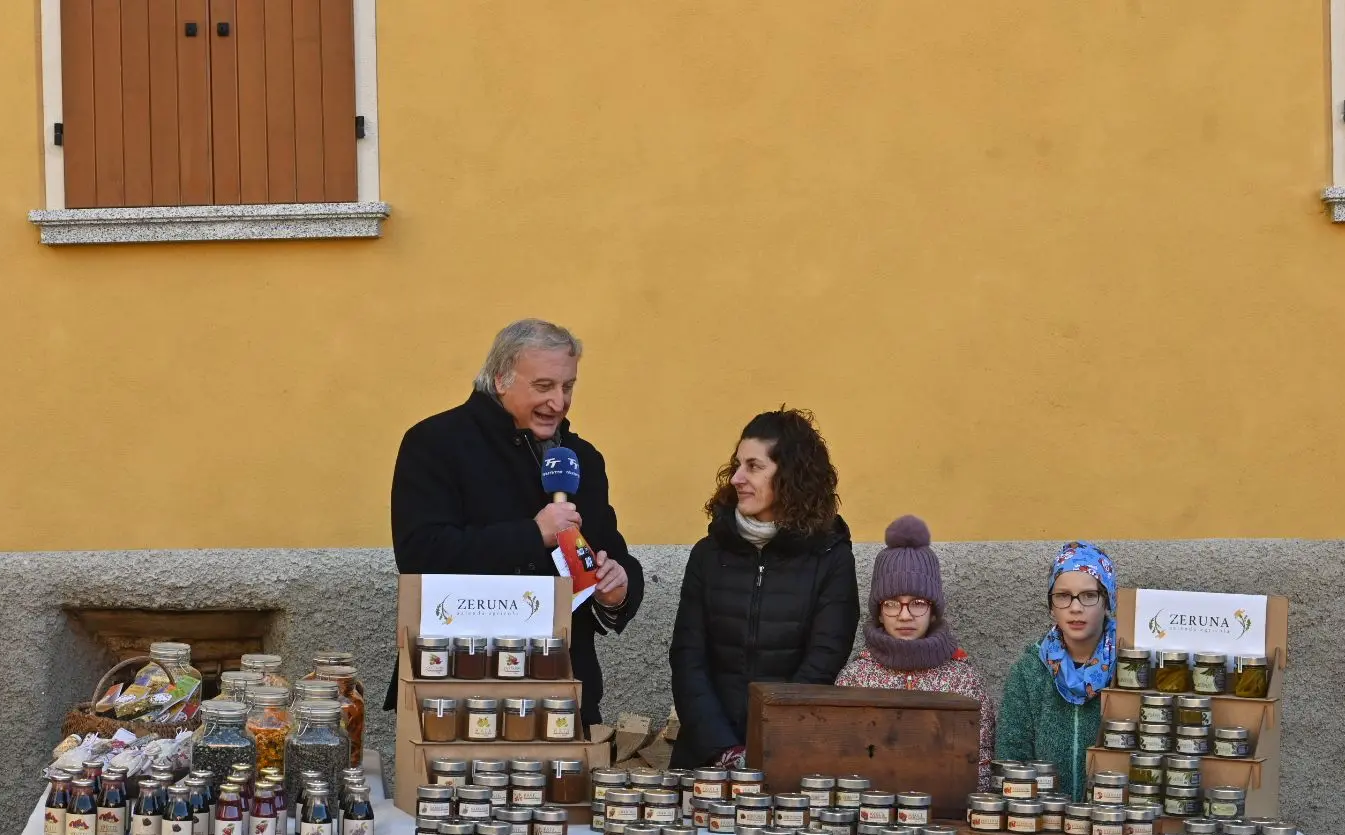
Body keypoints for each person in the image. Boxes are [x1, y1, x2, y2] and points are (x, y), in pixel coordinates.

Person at [389, 318, 644, 733]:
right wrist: (532, 534)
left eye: (568, 387)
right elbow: (420, 553)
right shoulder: (435, 443)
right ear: (500, 379)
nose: (559, 402)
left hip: (565, 686)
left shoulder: (583, 458)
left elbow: (610, 551)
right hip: (460, 683)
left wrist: (618, 588)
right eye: (543, 386)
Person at [669, 408, 859, 769]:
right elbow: (688, 658)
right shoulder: (709, 554)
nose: (737, 477)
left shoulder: (831, 557)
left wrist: (764, 746)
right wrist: (723, 749)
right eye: (737, 464)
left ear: (790, 475)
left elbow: (822, 664)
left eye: (754, 466)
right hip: (705, 757)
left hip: (788, 755)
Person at [834, 515, 998, 791]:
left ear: (933, 610)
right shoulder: (855, 679)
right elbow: (838, 757)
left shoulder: (963, 681)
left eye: (918, 603)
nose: (905, 615)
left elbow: (980, 765)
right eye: (892, 604)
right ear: (879, 611)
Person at [997, 541, 1118, 799]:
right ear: (1051, 606)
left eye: (1088, 595)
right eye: (1063, 596)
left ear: (1108, 600)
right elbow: (1011, 754)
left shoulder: (1128, 669)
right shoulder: (1029, 670)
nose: (1075, 608)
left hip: (1113, 823)